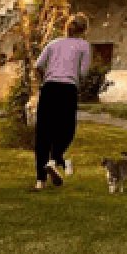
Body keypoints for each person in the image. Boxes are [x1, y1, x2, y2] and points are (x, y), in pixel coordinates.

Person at [32, 12, 91, 190]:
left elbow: (38, 66)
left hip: (49, 88)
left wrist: (44, 80)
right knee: (66, 130)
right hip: (67, 89)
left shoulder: (53, 43)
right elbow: (83, 72)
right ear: (84, 30)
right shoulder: (84, 46)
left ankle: (40, 181)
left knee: (43, 133)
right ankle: (55, 158)